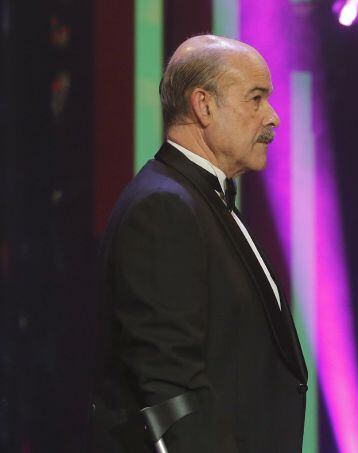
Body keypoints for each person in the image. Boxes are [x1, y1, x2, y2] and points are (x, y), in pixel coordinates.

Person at [90, 35, 307, 452]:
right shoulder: (163, 207)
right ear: (204, 106)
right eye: (256, 99)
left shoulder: (198, 199)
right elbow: (170, 383)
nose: (274, 117)